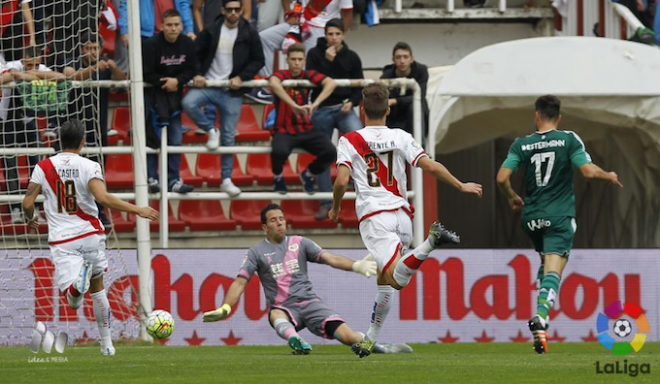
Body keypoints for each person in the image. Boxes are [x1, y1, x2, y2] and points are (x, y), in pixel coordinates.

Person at [329, 83, 483, 358]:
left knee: (394, 279)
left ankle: (431, 241)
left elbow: (341, 180)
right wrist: (460, 185)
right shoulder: (401, 136)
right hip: (402, 216)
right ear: (388, 110)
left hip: (376, 217)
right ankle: (370, 341)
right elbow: (430, 166)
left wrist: (335, 208)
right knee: (384, 282)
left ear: (362, 109)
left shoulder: (348, 139)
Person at [496, 95, 623, 354]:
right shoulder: (568, 139)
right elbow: (587, 171)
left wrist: (512, 196)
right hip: (559, 217)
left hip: (531, 218)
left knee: (546, 265)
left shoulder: (523, 144)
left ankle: (541, 328)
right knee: (555, 271)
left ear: (536, 116)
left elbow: (501, 178)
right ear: (559, 117)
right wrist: (607, 175)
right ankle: (541, 316)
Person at [21, 119, 159, 356]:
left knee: (73, 301)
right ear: (83, 141)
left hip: (62, 239)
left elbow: (26, 203)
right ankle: (107, 345)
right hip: (90, 234)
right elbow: (103, 199)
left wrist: (31, 217)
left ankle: (76, 286)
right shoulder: (89, 165)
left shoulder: (42, 167)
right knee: (98, 290)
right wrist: (138, 210)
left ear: (57, 140)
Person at [202, 203, 377, 355]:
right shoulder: (255, 252)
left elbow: (331, 258)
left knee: (350, 338)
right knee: (275, 314)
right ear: (264, 227)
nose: (279, 222)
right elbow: (240, 282)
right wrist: (225, 307)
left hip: (310, 304)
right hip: (284, 308)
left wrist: (356, 266)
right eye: (273, 220)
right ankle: (295, 339)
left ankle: (377, 346)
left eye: (281, 218)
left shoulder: (300, 243)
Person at [181, 0, 264, 197]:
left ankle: (226, 179)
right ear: (223, 11)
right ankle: (211, 129)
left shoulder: (249, 32)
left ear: (241, 10)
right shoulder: (211, 29)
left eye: (237, 9)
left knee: (228, 138)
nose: (234, 13)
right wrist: (198, 74)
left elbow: (258, 60)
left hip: (232, 90)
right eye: (230, 10)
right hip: (209, 84)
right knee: (188, 103)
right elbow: (195, 54)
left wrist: (241, 78)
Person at [63, 32, 127, 226]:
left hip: (97, 129)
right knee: (71, 174)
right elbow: (70, 75)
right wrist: (92, 68)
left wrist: (115, 68)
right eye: (88, 48)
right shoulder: (71, 61)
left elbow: (121, 80)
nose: (92, 52)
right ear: (82, 49)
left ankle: (99, 212)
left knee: (96, 174)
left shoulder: (105, 64)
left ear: (101, 49)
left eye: (95, 48)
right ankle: (71, 214)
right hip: (72, 130)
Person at [306, 17, 363, 220]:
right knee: (324, 154)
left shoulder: (352, 57)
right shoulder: (314, 54)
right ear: (325, 34)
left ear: (343, 35)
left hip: (344, 108)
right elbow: (317, 81)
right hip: (322, 109)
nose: (333, 38)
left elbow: (359, 86)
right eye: (330, 34)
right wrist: (328, 62)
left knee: (360, 147)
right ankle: (324, 202)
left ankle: (363, 198)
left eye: (337, 34)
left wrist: (352, 102)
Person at [1, 46, 64, 224]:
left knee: (36, 164)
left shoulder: (40, 67)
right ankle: (15, 210)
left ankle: (34, 208)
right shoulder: (12, 64)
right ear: (23, 61)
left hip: (29, 120)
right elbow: (17, 75)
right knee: (9, 165)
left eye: (37, 65)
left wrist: (35, 74)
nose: (34, 68)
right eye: (30, 65)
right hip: (8, 121)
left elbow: (60, 77)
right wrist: (34, 76)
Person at [247, 0, 353, 104]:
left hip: (322, 29)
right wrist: (288, 12)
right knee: (263, 38)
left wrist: (339, 38)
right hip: (299, 22)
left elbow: (348, 13)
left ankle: (302, 99)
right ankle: (269, 89)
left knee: (306, 65)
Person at [268, 43, 336, 194]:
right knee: (278, 152)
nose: (296, 63)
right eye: (293, 59)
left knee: (331, 152)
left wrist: (316, 104)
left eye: (299, 59)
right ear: (287, 60)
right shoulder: (283, 74)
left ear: (304, 60)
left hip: (305, 128)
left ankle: (308, 174)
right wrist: (293, 105)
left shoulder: (308, 74)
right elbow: (273, 82)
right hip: (284, 129)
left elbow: (330, 83)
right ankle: (278, 176)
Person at [142, 9, 197, 194]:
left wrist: (177, 81)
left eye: (176, 25)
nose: (173, 28)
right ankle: (151, 178)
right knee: (151, 139)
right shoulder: (151, 44)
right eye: (170, 25)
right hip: (152, 95)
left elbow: (192, 69)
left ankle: (173, 179)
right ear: (162, 26)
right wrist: (165, 82)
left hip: (174, 97)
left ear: (181, 26)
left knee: (175, 139)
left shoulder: (187, 43)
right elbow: (145, 72)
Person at [380, 42, 429, 139]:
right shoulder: (387, 76)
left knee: (414, 106)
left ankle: (419, 147)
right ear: (393, 60)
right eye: (398, 57)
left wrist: (395, 101)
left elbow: (419, 96)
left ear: (412, 59)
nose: (402, 61)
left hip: (417, 115)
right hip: (395, 117)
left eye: (405, 57)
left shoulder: (421, 71)